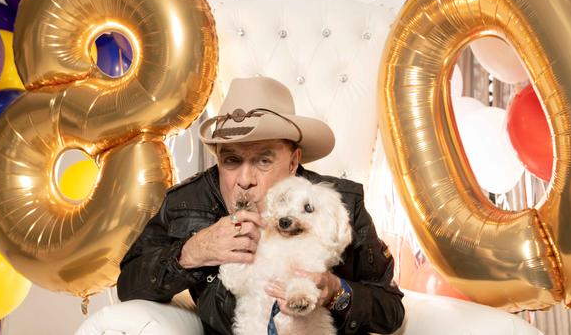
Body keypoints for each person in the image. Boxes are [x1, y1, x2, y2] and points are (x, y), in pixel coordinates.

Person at [117, 77, 405, 334]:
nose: (244, 180)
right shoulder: (187, 201)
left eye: (263, 161)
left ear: (293, 162)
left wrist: (335, 292)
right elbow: (128, 285)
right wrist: (191, 252)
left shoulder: (339, 204)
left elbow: (391, 310)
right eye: (231, 160)